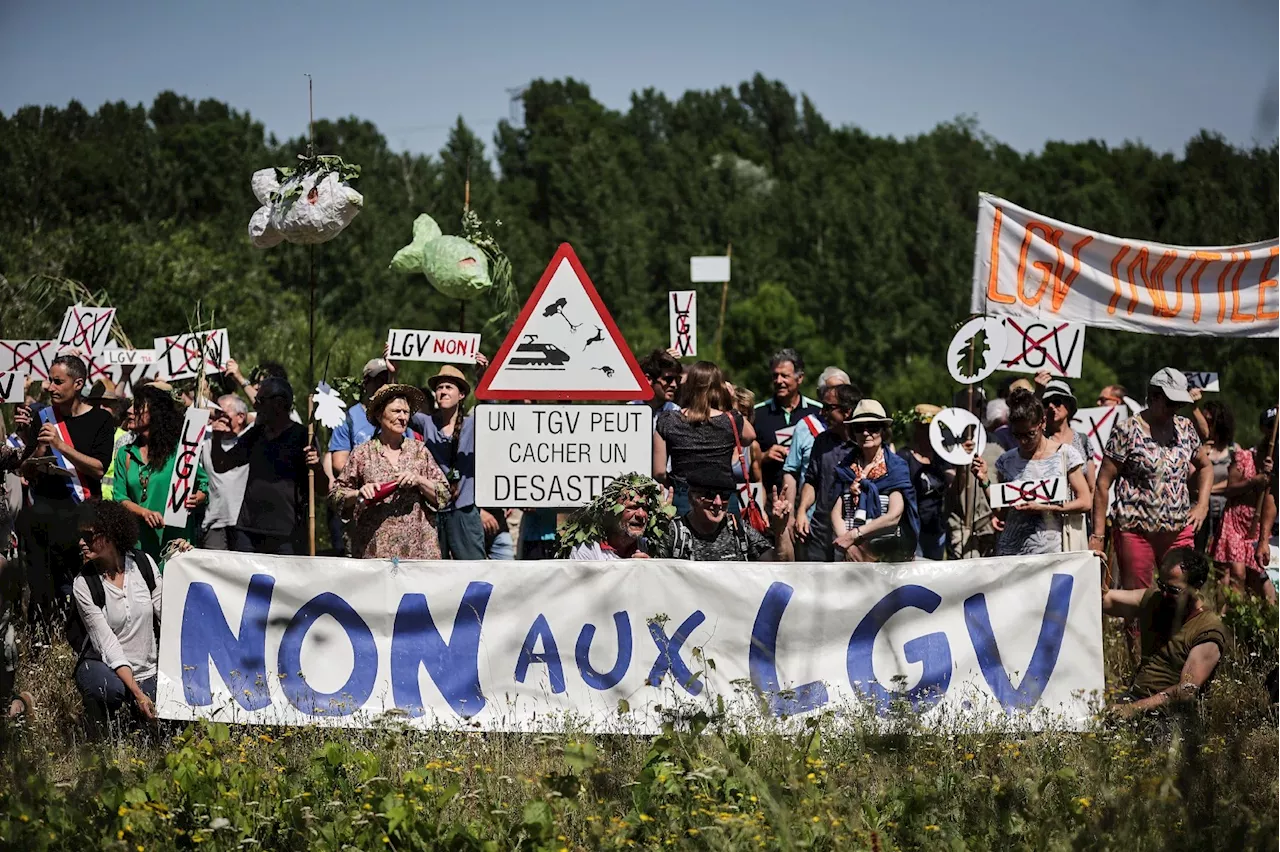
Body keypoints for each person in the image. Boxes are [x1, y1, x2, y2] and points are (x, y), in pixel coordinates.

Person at [1093, 369, 1212, 612]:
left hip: (1178, 529)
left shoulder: (1185, 428)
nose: (1175, 408)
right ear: (1153, 396)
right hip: (1136, 532)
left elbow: (1206, 466)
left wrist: (1202, 505)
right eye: (1170, 402)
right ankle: (1139, 650)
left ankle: (1178, 647)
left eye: (1179, 403)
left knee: (1185, 594)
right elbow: (1103, 483)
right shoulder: (1126, 431)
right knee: (1139, 602)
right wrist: (1097, 537)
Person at [14, 355, 116, 635]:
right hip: (43, 515)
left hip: (81, 514)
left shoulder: (100, 420)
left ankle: (81, 637)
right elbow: (27, 468)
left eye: (58, 381)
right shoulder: (43, 417)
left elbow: (98, 468)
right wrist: (38, 450)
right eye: (49, 380)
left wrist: (61, 444)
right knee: (41, 584)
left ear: (78, 383)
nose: (50, 387)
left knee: (80, 582)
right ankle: (43, 637)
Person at [71, 500, 164, 730]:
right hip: (105, 665)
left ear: (110, 535)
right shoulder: (84, 584)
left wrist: (182, 559)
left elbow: (169, 612)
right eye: (80, 535)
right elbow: (107, 645)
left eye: (88, 536)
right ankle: (97, 727)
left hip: (148, 669)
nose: (81, 542)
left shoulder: (144, 564)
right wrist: (137, 693)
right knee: (109, 688)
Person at [333, 384, 452, 559]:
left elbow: (444, 494)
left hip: (418, 553)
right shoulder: (362, 454)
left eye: (406, 412)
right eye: (397, 411)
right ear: (380, 415)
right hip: (374, 553)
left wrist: (419, 480)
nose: (403, 417)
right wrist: (359, 493)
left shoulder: (419, 451)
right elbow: (336, 496)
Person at [1102, 548, 1226, 716]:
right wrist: (1096, 568)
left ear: (1196, 587)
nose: (1165, 594)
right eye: (1162, 585)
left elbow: (1186, 691)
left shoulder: (1207, 628)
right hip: (1135, 700)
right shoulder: (1155, 599)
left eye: (1173, 590)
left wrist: (1132, 709)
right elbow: (1104, 600)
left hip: (1171, 716)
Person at [212, 377, 324, 555]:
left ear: (278, 404)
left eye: (260, 401)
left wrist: (317, 467)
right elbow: (222, 464)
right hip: (248, 532)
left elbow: (323, 489)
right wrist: (216, 439)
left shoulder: (303, 437)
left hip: (287, 535)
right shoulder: (256, 434)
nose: (255, 407)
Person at [973, 389, 1092, 556]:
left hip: (1051, 553)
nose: (1023, 441)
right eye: (1017, 435)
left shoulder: (1065, 454)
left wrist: (1045, 507)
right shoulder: (1006, 461)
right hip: (1012, 553)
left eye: (1029, 434)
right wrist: (984, 480)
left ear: (1042, 423)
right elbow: (1002, 512)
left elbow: (1085, 501)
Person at [110, 385, 208, 561]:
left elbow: (203, 483)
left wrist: (198, 497)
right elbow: (119, 498)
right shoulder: (125, 454)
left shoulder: (181, 451)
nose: (130, 411)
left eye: (138, 406)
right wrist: (144, 513)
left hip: (176, 544)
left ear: (155, 414)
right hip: (139, 543)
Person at [411, 365, 495, 560]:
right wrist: (393, 373)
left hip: (464, 510)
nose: (443, 392)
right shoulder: (427, 423)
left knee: (473, 569)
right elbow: (399, 406)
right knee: (435, 571)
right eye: (439, 388)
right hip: (434, 509)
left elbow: (492, 412)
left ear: (462, 395)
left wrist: (482, 376)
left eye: (449, 387)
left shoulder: (472, 424)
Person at [653, 361, 755, 516]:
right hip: (723, 498)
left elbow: (659, 472)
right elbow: (749, 436)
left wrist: (675, 485)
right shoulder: (730, 419)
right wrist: (732, 401)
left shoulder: (668, 420)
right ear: (719, 388)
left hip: (684, 496)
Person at [828, 400, 920, 562]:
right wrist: (848, 545)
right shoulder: (844, 468)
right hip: (848, 555)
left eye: (872, 427)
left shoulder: (895, 468)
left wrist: (854, 536)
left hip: (886, 555)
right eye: (859, 428)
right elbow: (836, 511)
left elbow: (894, 516)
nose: (865, 433)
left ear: (883, 431)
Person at [652, 468, 793, 561]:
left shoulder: (739, 530)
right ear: (691, 498)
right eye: (709, 495)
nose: (718, 502)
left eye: (725, 496)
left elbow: (781, 567)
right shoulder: (674, 533)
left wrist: (781, 530)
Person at [1211, 408, 1277, 604]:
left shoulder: (1276, 462)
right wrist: (1253, 481)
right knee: (1236, 573)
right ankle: (1230, 619)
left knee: (1257, 575)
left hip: (1259, 523)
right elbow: (1230, 489)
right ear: (1263, 429)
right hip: (1236, 519)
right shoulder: (1244, 456)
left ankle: (1252, 620)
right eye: (1271, 427)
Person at [795, 384, 864, 562]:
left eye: (828, 407)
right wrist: (802, 510)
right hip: (820, 534)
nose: (822, 413)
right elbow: (812, 480)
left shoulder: (866, 446)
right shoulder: (821, 442)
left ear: (847, 411)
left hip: (854, 537)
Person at [780, 368, 853, 518]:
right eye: (831, 390)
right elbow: (791, 473)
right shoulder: (805, 426)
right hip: (813, 519)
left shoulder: (863, 434)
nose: (835, 394)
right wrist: (792, 514)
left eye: (841, 389)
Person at [753, 349, 821, 496]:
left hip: (809, 499)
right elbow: (741, 458)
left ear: (800, 378)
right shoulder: (757, 414)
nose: (779, 381)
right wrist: (764, 456)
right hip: (770, 498)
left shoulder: (817, 412)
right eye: (775, 376)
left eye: (784, 376)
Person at [946, 387, 1001, 560]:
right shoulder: (947, 444)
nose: (983, 406)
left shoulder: (996, 443)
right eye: (978, 403)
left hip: (990, 527)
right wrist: (961, 459)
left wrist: (999, 514)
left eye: (985, 402)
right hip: (962, 528)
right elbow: (951, 488)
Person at [561, 474, 669, 560]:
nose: (641, 514)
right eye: (632, 507)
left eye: (645, 508)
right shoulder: (588, 550)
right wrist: (631, 571)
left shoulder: (648, 546)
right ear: (611, 511)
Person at [898, 404, 952, 560]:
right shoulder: (904, 457)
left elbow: (952, 483)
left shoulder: (941, 458)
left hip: (936, 528)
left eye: (930, 428)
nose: (926, 433)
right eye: (922, 428)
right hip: (913, 529)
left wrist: (960, 459)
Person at [329, 358, 394, 479]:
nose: (383, 385)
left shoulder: (399, 418)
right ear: (365, 383)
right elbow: (339, 463)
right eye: (378, 380)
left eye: (386, 380)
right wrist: (368, 477)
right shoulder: (348, 419)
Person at [200, 394, 250, 550]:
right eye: (217, 413)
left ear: (240, 417)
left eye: (224, 413)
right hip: (214, 521)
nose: (219, 418)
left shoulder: (249, 441)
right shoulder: (206, 440)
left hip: (242, 523)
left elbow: (263, 416)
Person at [1191, 400, 1236, 553]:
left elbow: (1235, 481)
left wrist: (1208, 489)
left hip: (1224, 510)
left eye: (1210, 421)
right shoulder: (1196, 449)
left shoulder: (1233, 450)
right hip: (1199, 510)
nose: (1206, 424)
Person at [1041, 379, 1095, 490]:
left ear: (1069, 405)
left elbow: (1091, 487)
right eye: (1046, 403)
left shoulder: (1082, 440)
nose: (1051, 406)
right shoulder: (1040, 441)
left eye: (1056, 402)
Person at [635, 348, 682, 419]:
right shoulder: (630, 410)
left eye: (678, 379)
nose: (674, 385)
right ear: (649, 379)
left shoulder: (677, 413)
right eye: (668, 379)